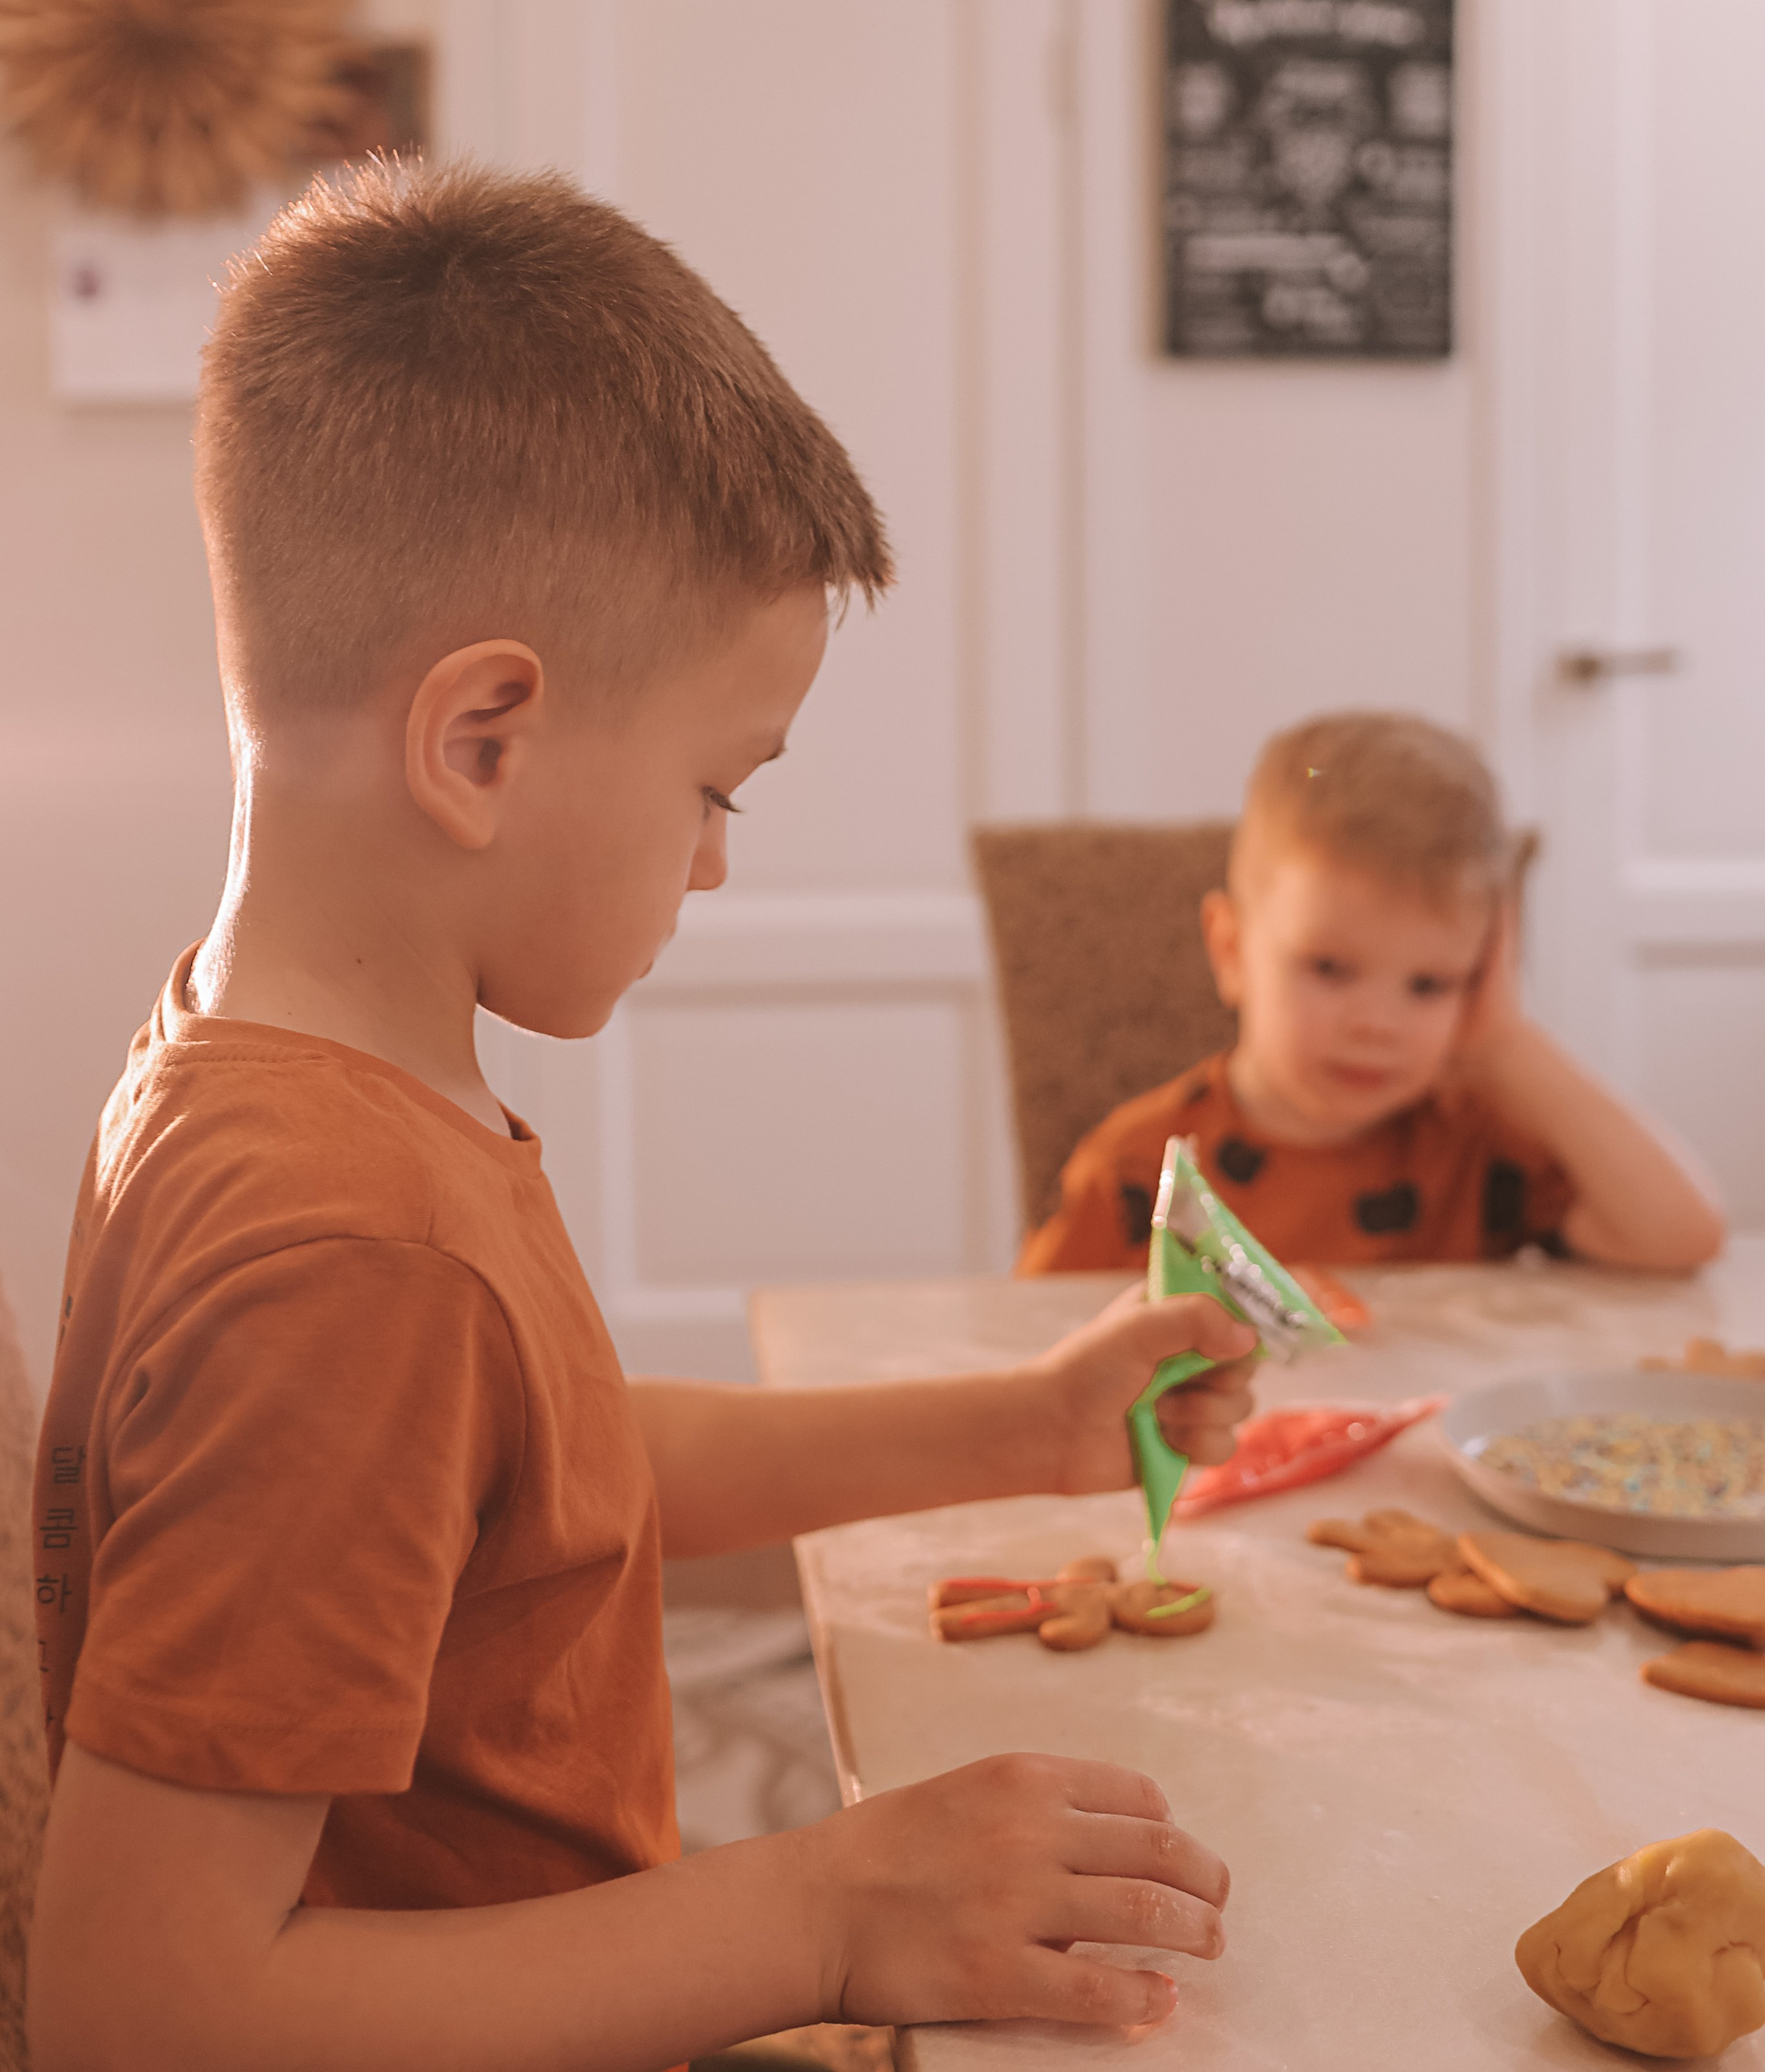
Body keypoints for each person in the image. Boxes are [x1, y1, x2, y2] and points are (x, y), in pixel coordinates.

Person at [27, 163, 1257, 2072]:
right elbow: (139, 2013)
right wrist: (827, 1913)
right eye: (719, 789)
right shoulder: (350, 1248)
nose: (709, 870)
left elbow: (543, 1487)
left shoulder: (278, 1066)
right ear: (483, 740)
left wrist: (1016, 1426)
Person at [1018, 711, 1726, 1280]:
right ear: (1230, 951)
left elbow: (1681, 1236)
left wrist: (1508, 1044)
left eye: (1429, 984)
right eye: (1328, 969)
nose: (1377, 1025)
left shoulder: (1478, 1146)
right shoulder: (1138, 1171)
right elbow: (1034, 1362)